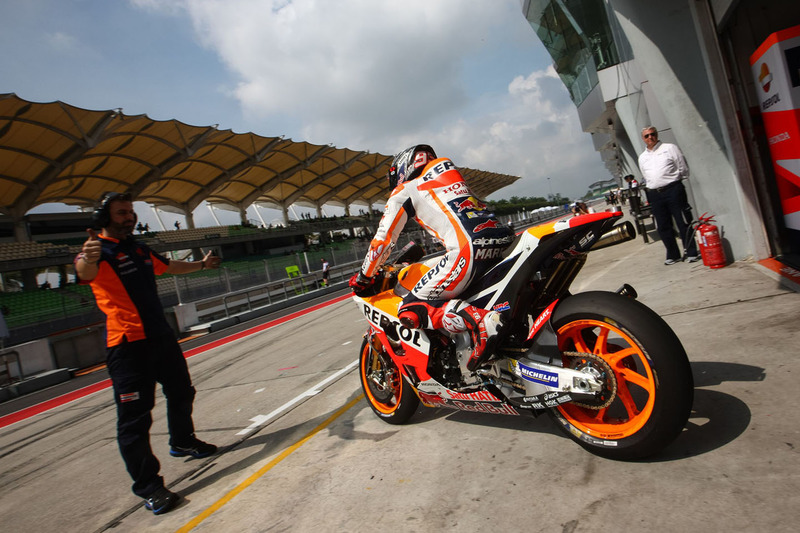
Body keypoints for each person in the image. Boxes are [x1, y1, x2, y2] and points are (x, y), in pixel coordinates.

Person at [75, 192, 221, 516]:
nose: (130, 217)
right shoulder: (97, 252)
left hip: (161, 338)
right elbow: (84, 272)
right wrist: (87, 256)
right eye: (122, 212)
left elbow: (168, 267)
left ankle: (183, 441)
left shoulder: (138, 248)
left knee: (182, 392)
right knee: (134, 422)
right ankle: (149, 487)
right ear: (104, 218)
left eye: (131, 211)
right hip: (127, 347)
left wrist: (201, 264)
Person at [349, 145, 513, 371]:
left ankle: (480, 323)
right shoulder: (448, 179)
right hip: (500, 241)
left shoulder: (405, 189)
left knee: (411, 308)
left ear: (403, 169)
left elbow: (383, 240)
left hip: (467, 249)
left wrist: (363, 276)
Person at [637, 126, 700, 265]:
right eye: (646, 136)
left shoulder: (669, 148)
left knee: (682, 221)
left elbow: (682, 167)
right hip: (655, 194)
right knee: (663, 226)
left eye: (652, 134)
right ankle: (673, 254)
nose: (650, 137)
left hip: (673, 190)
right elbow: (645, 175)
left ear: (657, 134)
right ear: (643, 139)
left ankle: (691, 252)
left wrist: (676, 181)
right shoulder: (642, 157)